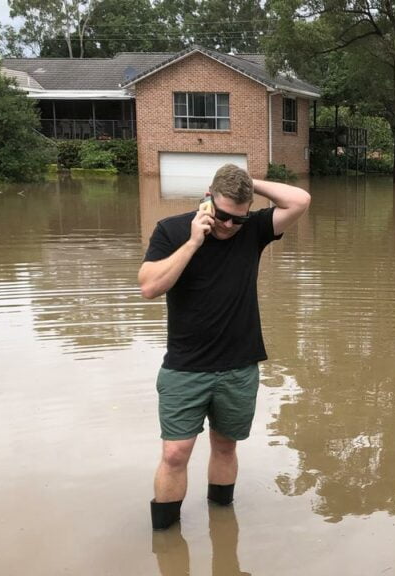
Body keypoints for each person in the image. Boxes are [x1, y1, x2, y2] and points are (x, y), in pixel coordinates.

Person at [138, 163, 311, 531]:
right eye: (222, 216)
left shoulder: (253, 231)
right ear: (207, 200)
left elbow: (300, 200)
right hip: (185, 367)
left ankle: (222, 525)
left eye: (239, 219)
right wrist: (193, 242)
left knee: (225, 446)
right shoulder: (171, 230)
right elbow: (149, 287)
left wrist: (250, 183)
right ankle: (166, 538)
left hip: (238, 366)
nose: (229, 226)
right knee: (174, 453)